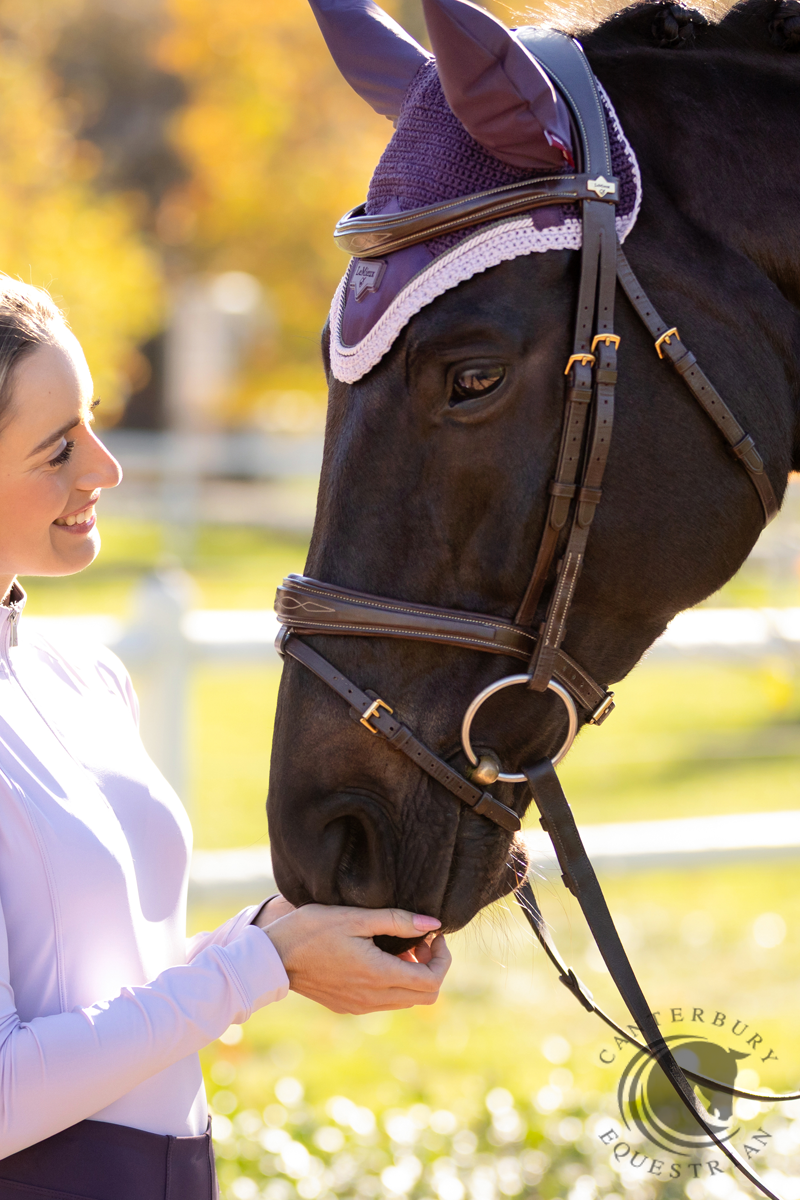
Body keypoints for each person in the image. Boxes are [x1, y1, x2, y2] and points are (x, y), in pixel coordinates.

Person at [0, 278, 451, 1199]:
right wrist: (259, 968)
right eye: (58, 450)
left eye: (91, 421)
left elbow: (117, 983)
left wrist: (281, 935)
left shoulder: (83, 676)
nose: (104, 468)